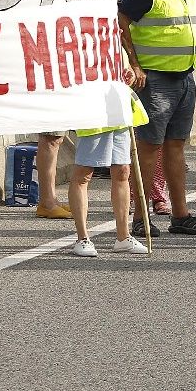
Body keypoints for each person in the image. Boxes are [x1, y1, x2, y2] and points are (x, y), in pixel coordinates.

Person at [118, 0, 196, 239]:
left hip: (183, 77)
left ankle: (180, 214)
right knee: (149, 147)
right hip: (156, 80)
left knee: (175, 147)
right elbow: (122, 20)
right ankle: (140, 217)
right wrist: (134, 63)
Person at [67, 71, 151, 258]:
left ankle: (123, 237)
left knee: (122, 171)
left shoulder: (115, 42)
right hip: (91, 110)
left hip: (118, 109)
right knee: (83, 173)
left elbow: (123, 67)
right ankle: (82, 238)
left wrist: (128, 74)